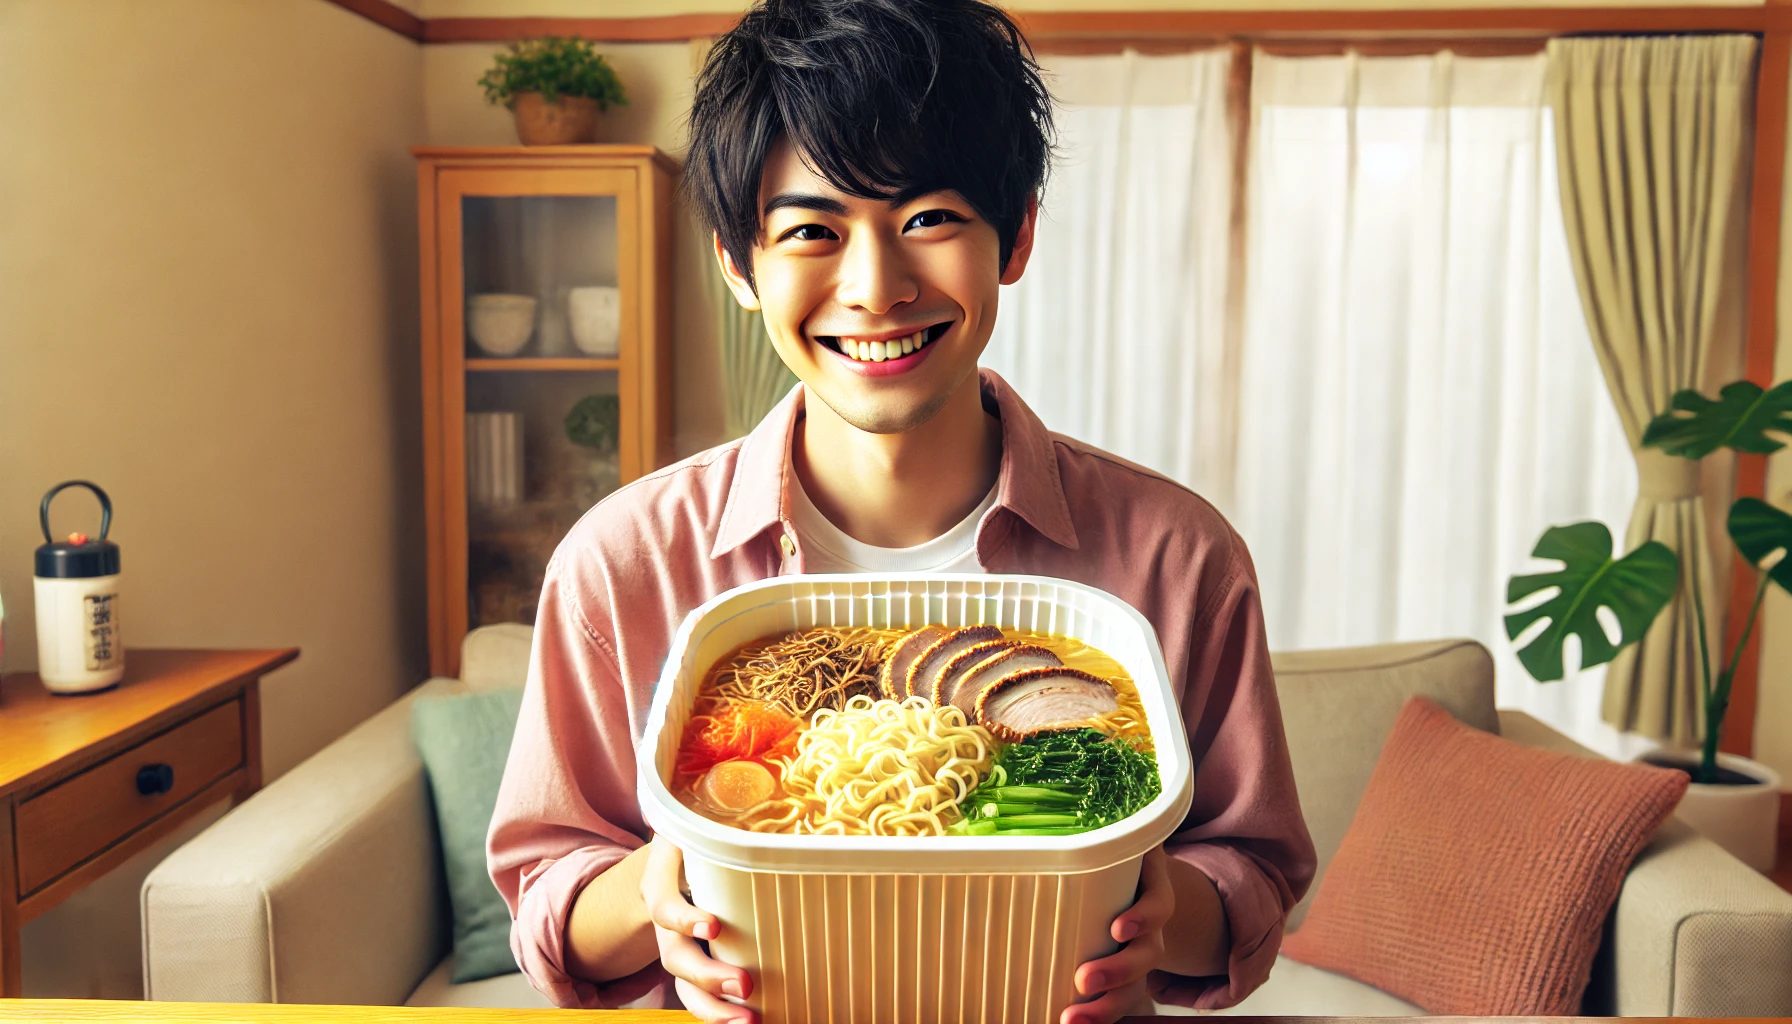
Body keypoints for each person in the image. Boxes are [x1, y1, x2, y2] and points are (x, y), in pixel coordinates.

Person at [487, 1, 1316, 1021]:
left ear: (1013, 238)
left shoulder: (1178, 557)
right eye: (810, 231)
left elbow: (1254, 877)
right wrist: (658, 893)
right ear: (737, 265)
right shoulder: (621, 562)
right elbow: (545, 895)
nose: (875, 288)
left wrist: (1162, 908)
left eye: (928, 218)